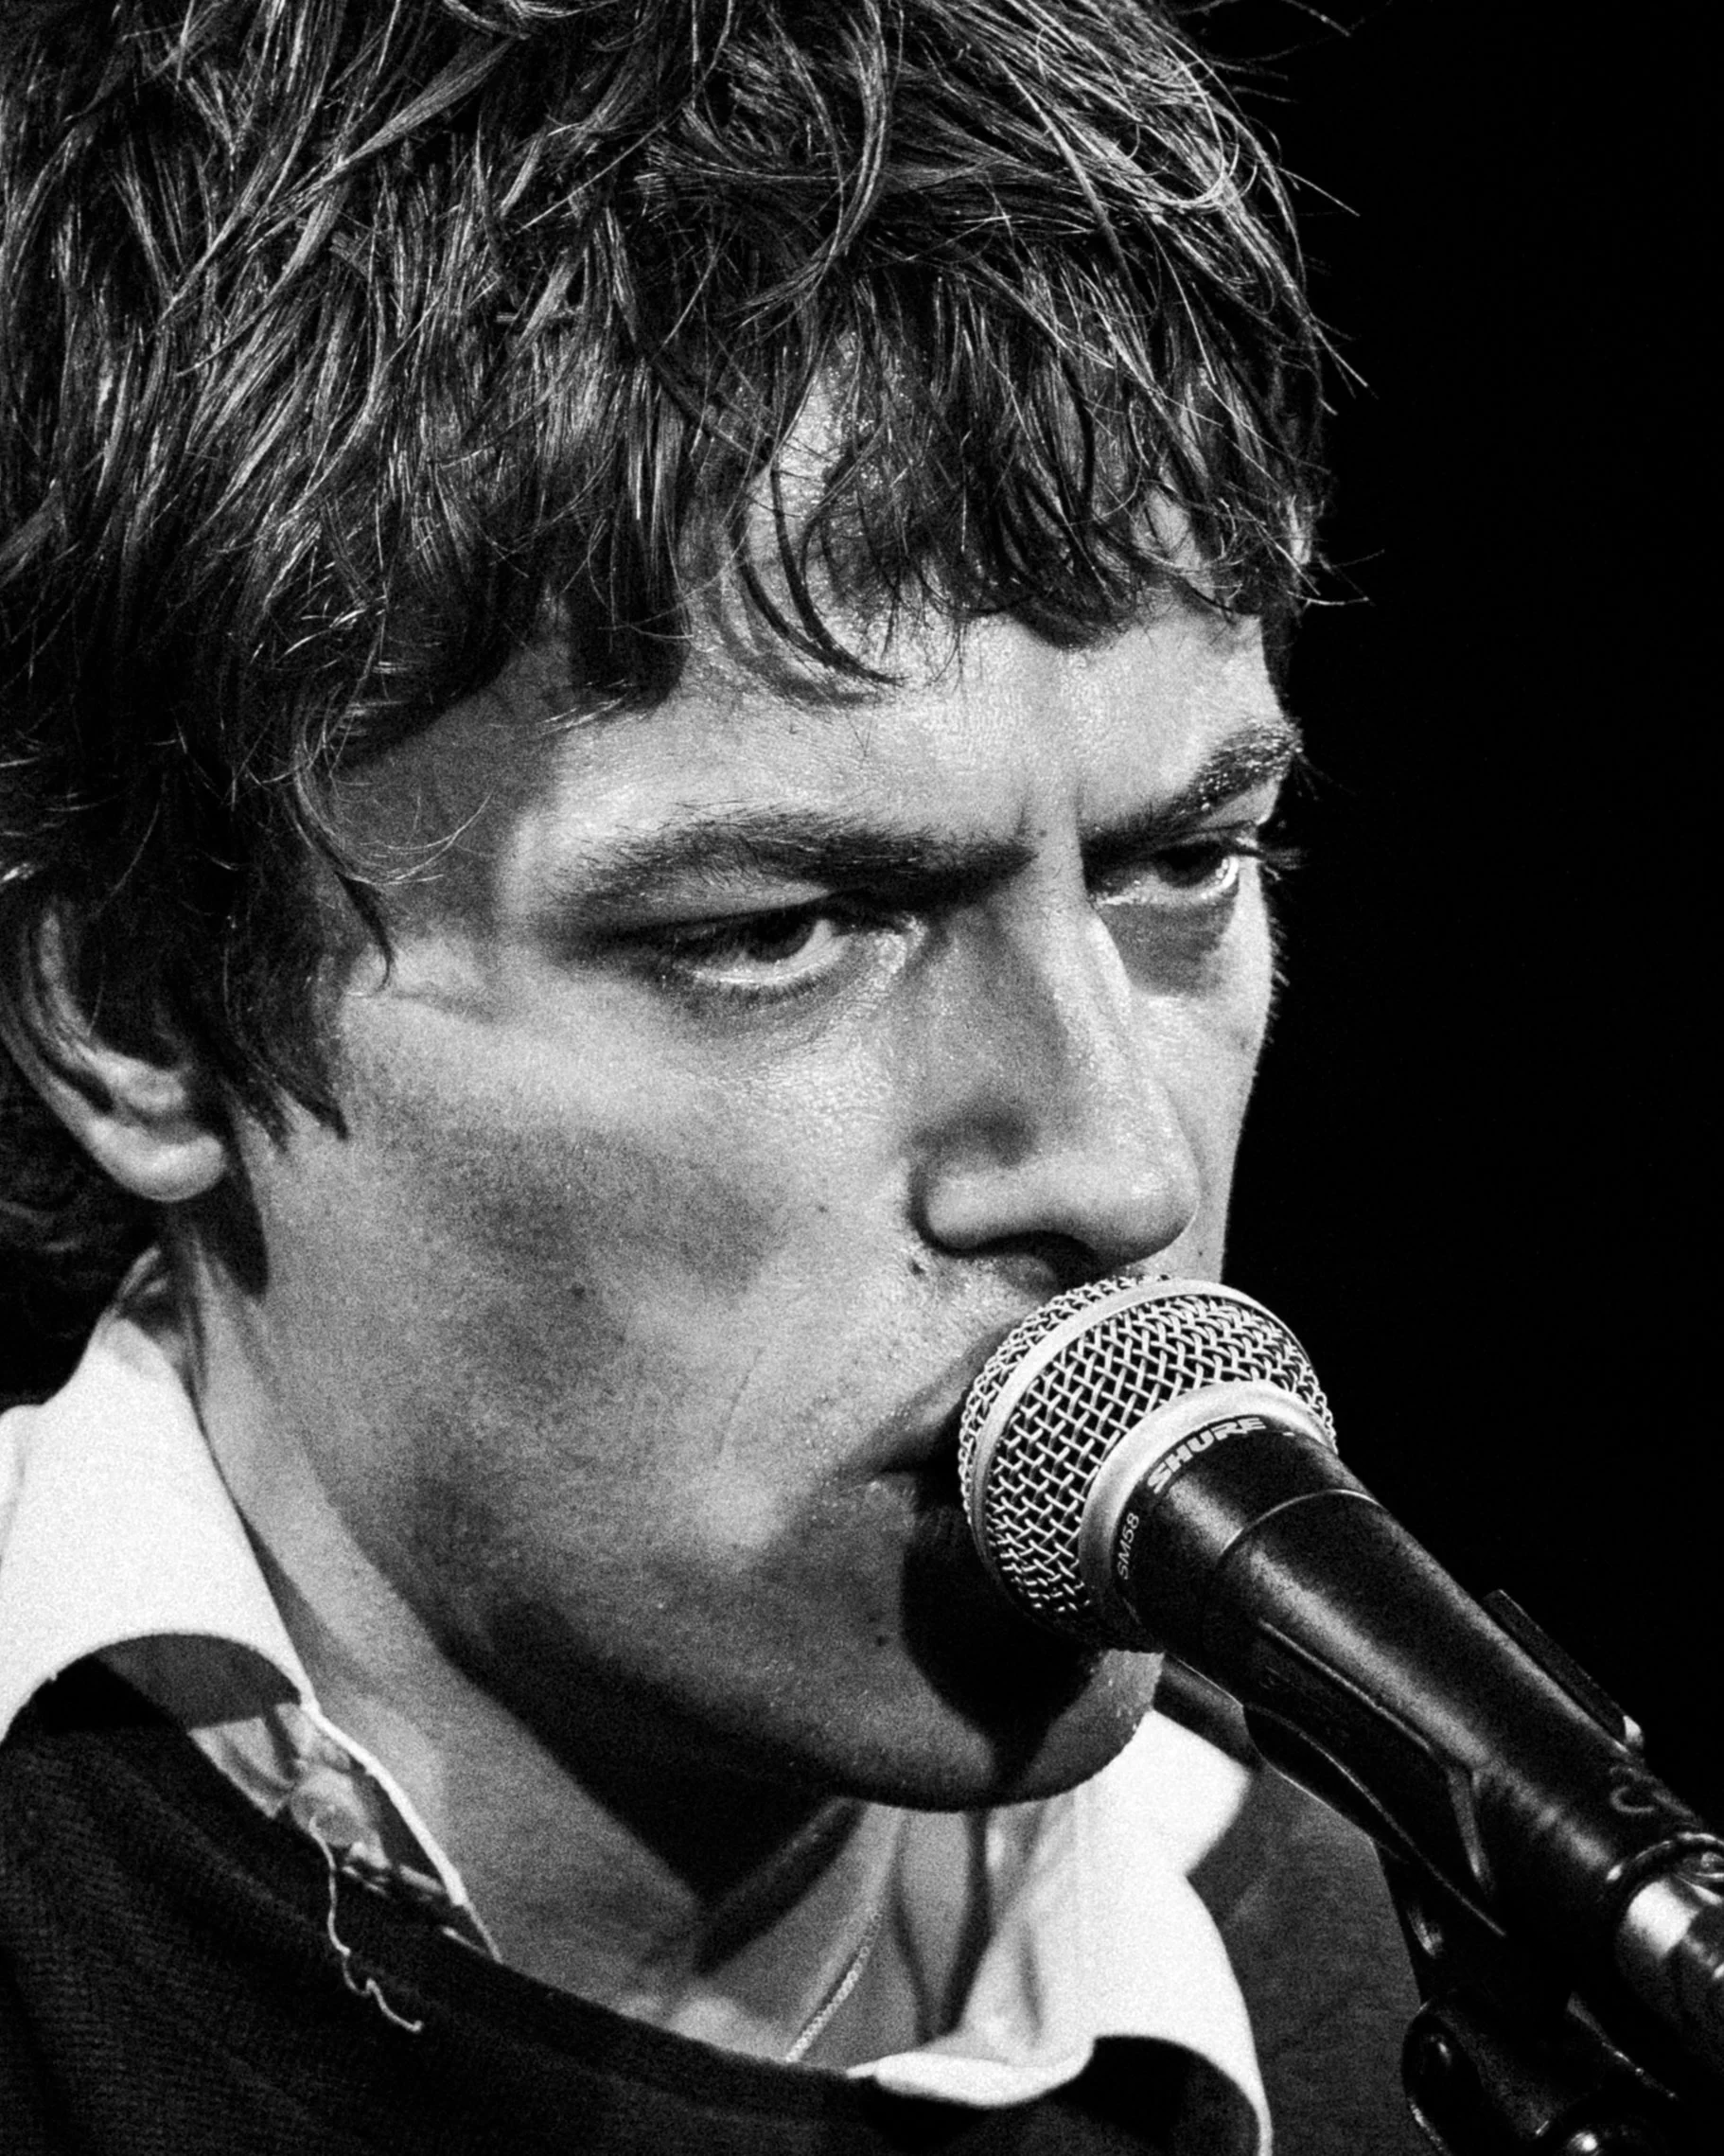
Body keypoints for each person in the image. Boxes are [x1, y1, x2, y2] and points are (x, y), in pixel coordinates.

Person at [0, 3, 1425, 2148]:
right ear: (140, 1004)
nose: (1112, 1167)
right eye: (776, 932)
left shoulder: (1354, 1996)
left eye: (1180, 864)